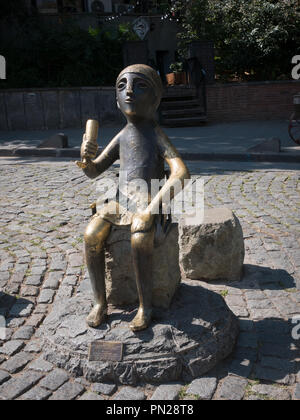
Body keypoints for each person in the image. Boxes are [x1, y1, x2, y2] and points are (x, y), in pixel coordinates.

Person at [77, 64, 190, 332]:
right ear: (116, 101)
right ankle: (100, 303)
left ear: (156, 98)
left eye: (139, 86)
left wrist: (153, 207)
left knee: (140, 236)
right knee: (91, 235)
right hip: (119, 200)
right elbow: (95, 171)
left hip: (147, 199)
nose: (129, 91)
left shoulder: (154, 134)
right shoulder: (123, 135)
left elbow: (181, 172)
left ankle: (145, 306)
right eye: (122, 86)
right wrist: (86, 158)